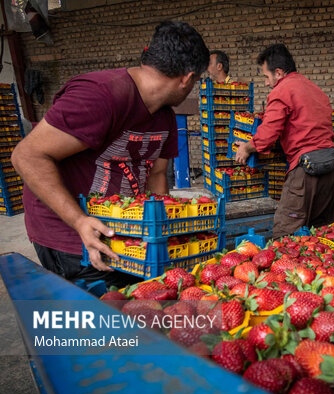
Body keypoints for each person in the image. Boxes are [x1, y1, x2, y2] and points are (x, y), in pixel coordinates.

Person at [11, 21, 209, 287]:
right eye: (196, 80)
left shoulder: (165, 117)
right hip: (72, 236)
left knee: (132, 311)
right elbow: (26, 156)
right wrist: (79, 221)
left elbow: (157, 175)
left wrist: (164, 232)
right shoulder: (99, 95)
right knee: (97, 320)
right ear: (187, 77)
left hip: (126, 237)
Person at [235, 44, 334, 238]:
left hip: (306, 170)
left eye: (266, 77)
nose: (266, 83)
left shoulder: (282, 90)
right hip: (331, 166)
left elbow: (268, 134)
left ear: (279, 73)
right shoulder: (316, 90)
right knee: (323, 235)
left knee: (285, 233)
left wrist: (247, 148)